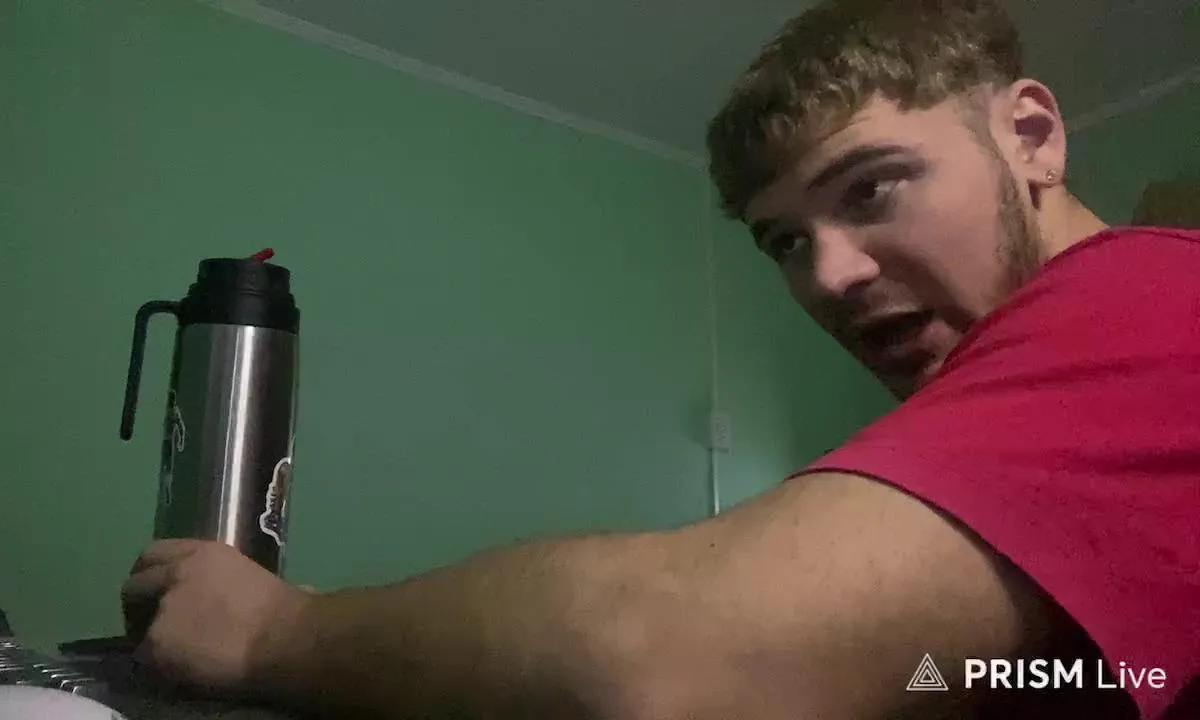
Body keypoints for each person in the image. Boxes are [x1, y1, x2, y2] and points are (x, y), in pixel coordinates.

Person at [121, 0, 1200, 717]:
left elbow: (671, 654)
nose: (827, 276)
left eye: (871, 188)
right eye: (784, 242)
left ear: (1030, 137)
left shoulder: (1152, 297)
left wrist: (275, 633)